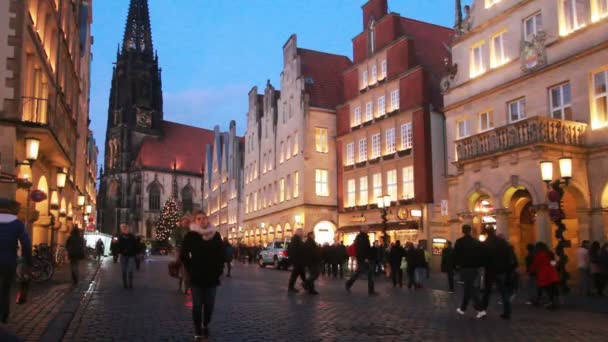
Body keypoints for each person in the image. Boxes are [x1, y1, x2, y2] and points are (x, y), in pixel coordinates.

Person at [180, 210, 224, 340]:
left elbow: (221, 255)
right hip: (196, 276)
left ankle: (206, 323)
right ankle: (198, 328)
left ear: (207, 220)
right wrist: (190, 268)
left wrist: (219, 270)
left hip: (212, 276)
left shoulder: (216, 235)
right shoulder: (191, 236)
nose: (202, 220)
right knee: (197, 305)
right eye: (199, 218)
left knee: (209, 305)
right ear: (195, 221)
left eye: (204, 218)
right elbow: (184, 255)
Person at [0, 198, 31, 324]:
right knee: (5, 288)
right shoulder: (17, 224)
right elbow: (26, 243)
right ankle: (3, 314)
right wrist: (27, 261)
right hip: (8, 261)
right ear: (10, 208)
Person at [477, 228, 516, 320]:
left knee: (487, 292)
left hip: (490, 270)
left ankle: (483, 311)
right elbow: (508, 255)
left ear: (487, 233)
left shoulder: (487, 243)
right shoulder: (502, 242)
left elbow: (483, 257)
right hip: (501, 270)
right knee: (504, 292)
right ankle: (507, 313)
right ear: (494, 232)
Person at [454, 224, 484, 316]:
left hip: (465, 268)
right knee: (468, 288)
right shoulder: (476, 242)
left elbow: (456, 255)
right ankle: (463, 309)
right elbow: (480, 255)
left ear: (463, 231)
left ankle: (480, 309)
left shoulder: (459, 242)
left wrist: (456, 266)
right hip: (474, 268)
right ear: (470, 230)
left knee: (469, 289)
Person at [345, 225, 376, 295]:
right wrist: (365, 258)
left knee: (361, 273)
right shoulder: (361, 237)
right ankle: (371, 291)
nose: (368, 230)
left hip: (363, 258)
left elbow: (366, 249)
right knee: (367, 273)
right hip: (363, 259)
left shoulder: (363, 237)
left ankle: (348, 283)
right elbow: (361, 249)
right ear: (362, 229)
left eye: (368, 228)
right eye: (367, 228)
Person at [529, 242, 560, 309]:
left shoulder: (538, 255)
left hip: (544, 276)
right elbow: (553, 264)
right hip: (552, 274)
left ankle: (551, 303)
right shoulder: (549, 253)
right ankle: (553, 303)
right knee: (552, 290)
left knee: (547, 290)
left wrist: (530, 271)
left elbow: (535, 265)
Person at [118, 224, 138, 289]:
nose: (125, 230)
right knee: (123, 270)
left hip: (131, 255)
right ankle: (125, 284)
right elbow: (119, 246)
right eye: (123, 229)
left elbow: (135, 245)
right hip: (123, 255)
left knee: (130, 270)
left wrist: (136, 253)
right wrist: (119, 253)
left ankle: (130, 284)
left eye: (126, 229)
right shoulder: (120, 237)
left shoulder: (132, 237)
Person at [287, 228, 307, 293]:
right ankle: (291, 287)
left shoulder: (297, 239)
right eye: (302, 232)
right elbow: (295, 250)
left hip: (299, 261)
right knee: (295, 275)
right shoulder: (296, 240)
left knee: (301, 274)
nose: (303, 233)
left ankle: (307, 286)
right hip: (297, 261)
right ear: (298, 232)